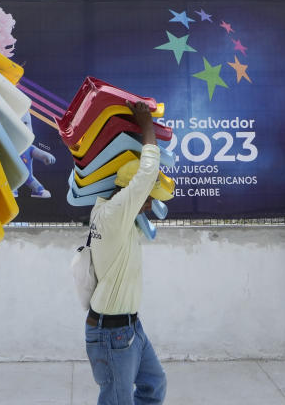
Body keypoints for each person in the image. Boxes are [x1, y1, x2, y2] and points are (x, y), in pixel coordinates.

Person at [85, 101, 167, 404]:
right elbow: (146, 173)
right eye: (147, 198)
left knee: (154, 386)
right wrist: (145, 123)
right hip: (112, 334)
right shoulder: (114, 213)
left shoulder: (115, 214)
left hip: (130, 328)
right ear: (128, 192)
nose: (149, 205)